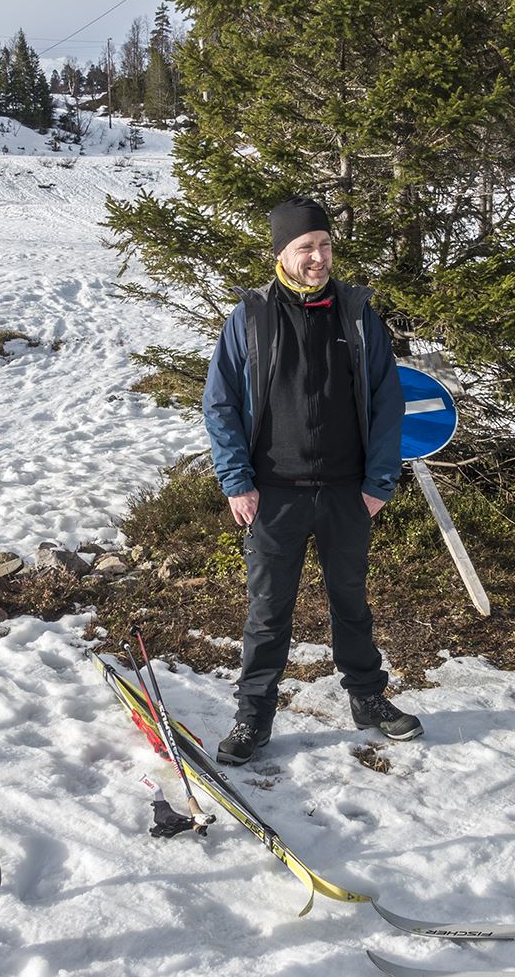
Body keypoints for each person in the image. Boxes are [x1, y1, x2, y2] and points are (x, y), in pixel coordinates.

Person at [202, 196, 419, 765]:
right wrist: (236, 480)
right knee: (268, 609)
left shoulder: (357, 314)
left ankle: (368, 698)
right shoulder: (249, 317)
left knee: (351, 601)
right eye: (306, 248)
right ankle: (254, 716)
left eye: (324, 245)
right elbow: (221, 404)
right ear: (282, 253)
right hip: (272, 493)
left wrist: (379, 482)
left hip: (349, 492)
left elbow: (386, 401)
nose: (318, 257)